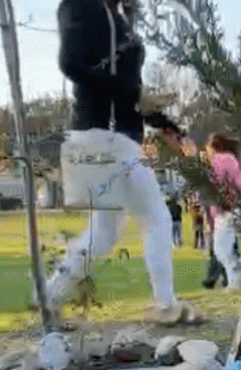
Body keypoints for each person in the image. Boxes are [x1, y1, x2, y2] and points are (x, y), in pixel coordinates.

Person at [46, 0, 198, 326]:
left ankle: (48, 297)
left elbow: (133, 94)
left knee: (118, 230)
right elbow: (71, 63)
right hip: (98, 138)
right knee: (143, 221)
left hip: (118, 140)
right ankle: (165, 304)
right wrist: (130, 93)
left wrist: (168, 126)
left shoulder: (121, 20)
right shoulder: (80, 6)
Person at [204, 133, 241, 291]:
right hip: (234, 207)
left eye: (208, 148)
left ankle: (239, 274)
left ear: (213, 147)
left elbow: (214, 182)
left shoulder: (218, 160)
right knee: (226, 248)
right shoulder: (232, 159)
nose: (207, 152)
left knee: (220, 249)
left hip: (224, 209)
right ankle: (234, 281)